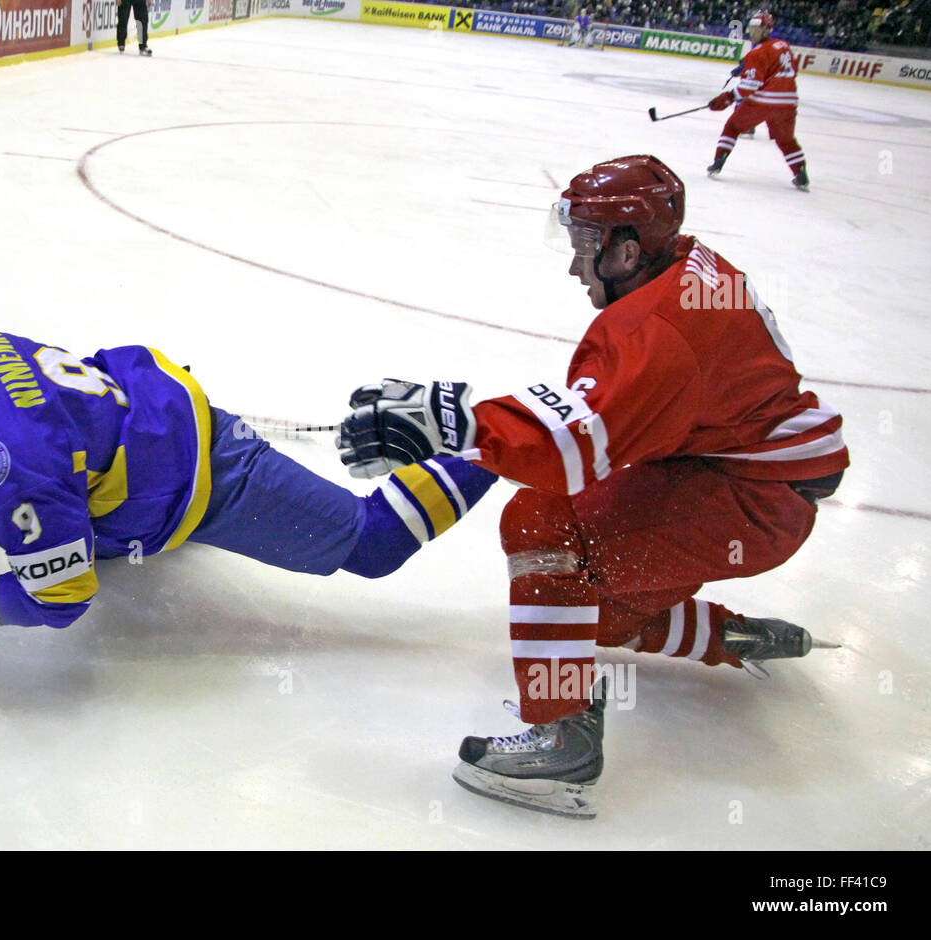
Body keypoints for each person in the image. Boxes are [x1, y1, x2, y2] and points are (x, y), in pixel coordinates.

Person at [335, 155, 848, 818]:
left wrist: (453, 422)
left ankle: (563, 738)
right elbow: (617, 413)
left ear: (628, 251)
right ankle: (730, 637)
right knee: (585, 614)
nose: (575, 266)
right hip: (742, 473)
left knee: (544, 523)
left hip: (752, 499)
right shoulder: (689, 268)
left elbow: (572, 451)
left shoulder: (657, 329)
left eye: (584, 247)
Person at [0, 319, 496, 648]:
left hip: (207, 478)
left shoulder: (3, 470)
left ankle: (492, 434)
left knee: (375, 545)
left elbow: (65, 598)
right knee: (67, 522)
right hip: (147, 412)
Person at [706, 11, 808, 190]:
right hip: (788, 103)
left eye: (757, 29)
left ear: (767, 30)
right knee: (786, 140)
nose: (752, 33)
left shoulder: (757, 52)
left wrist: (728, 97)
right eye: (751, 28)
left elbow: (750, 85)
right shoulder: (783, 45)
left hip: (764, 101)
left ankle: (718, 161)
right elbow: (792, 70)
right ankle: (801, 173)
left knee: (733, 127)